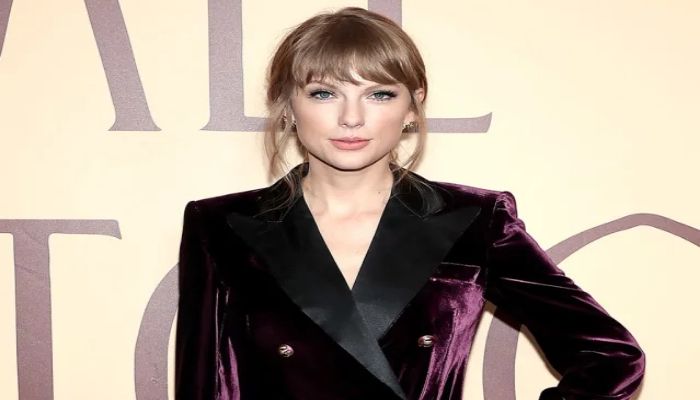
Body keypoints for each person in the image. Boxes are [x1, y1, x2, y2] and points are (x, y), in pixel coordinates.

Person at [175, 6, 645, 400]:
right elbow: (202, 385)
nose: (352, 117)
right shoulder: (220, 225)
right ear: (287, 104)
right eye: (324, 93)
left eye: (379, 94)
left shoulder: (473, 221)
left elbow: (611, 356)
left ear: (412, 106)